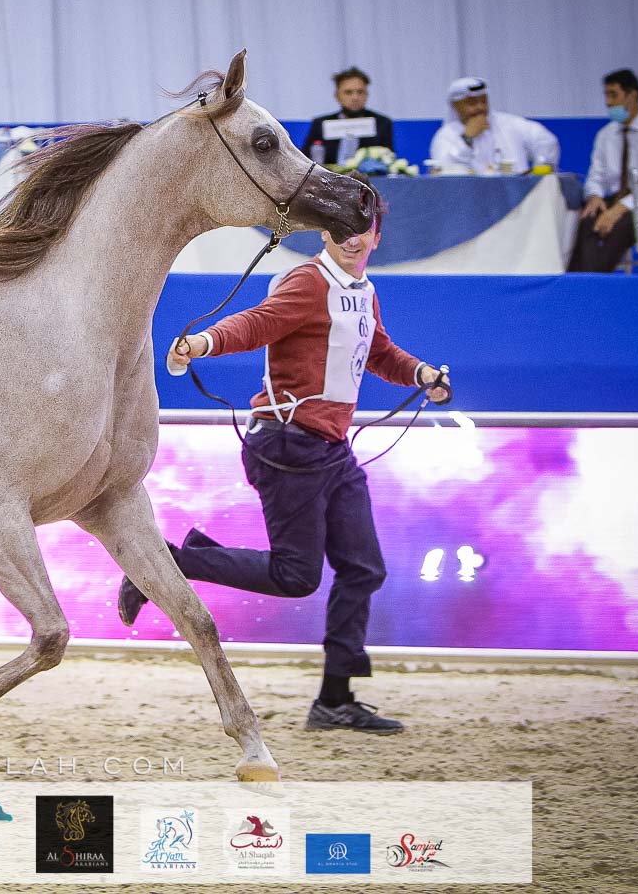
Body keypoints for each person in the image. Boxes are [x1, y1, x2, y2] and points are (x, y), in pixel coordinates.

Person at [116, 173, 451, 735]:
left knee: (363, 569)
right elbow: (258, 323)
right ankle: (169, 562)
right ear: (323, 232)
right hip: (288, 443)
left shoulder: (362, 291)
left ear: (376, 236)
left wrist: (420, 374)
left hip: (330, 448)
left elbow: (377, 350)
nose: (351, 237)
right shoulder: (308, 282)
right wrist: (203, 342)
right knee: (296, 576)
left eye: (362, 228)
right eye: (339, 228)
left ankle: (335, 700)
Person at [568, 69, 638, 273]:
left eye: (614, 95)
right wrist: (594, 196)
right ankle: (577, 283)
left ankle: (598, 284)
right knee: (584, 222)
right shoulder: (605, 135)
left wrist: (619, 209)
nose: (608, 103)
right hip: (616, 200)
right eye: (606, 96)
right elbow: (596, 175)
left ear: (632, 96)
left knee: (621, 226)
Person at [429, 77, 559, 174]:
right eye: (472, 103)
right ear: (455, 106)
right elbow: (445, 172)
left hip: (517, 196)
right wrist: (467, 138)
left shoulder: (510, 124)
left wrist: (540, 169)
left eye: (483, 101)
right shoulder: (446, 136)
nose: (480, 107)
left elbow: (545, 140)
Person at [301, 67, 395, 165]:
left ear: (367, 94)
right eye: (348, 92)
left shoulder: (381, 124)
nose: (355, 98)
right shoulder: (321, 124)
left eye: (360, 92)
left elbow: (388, 160)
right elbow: (305, 160)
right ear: (337, 96)